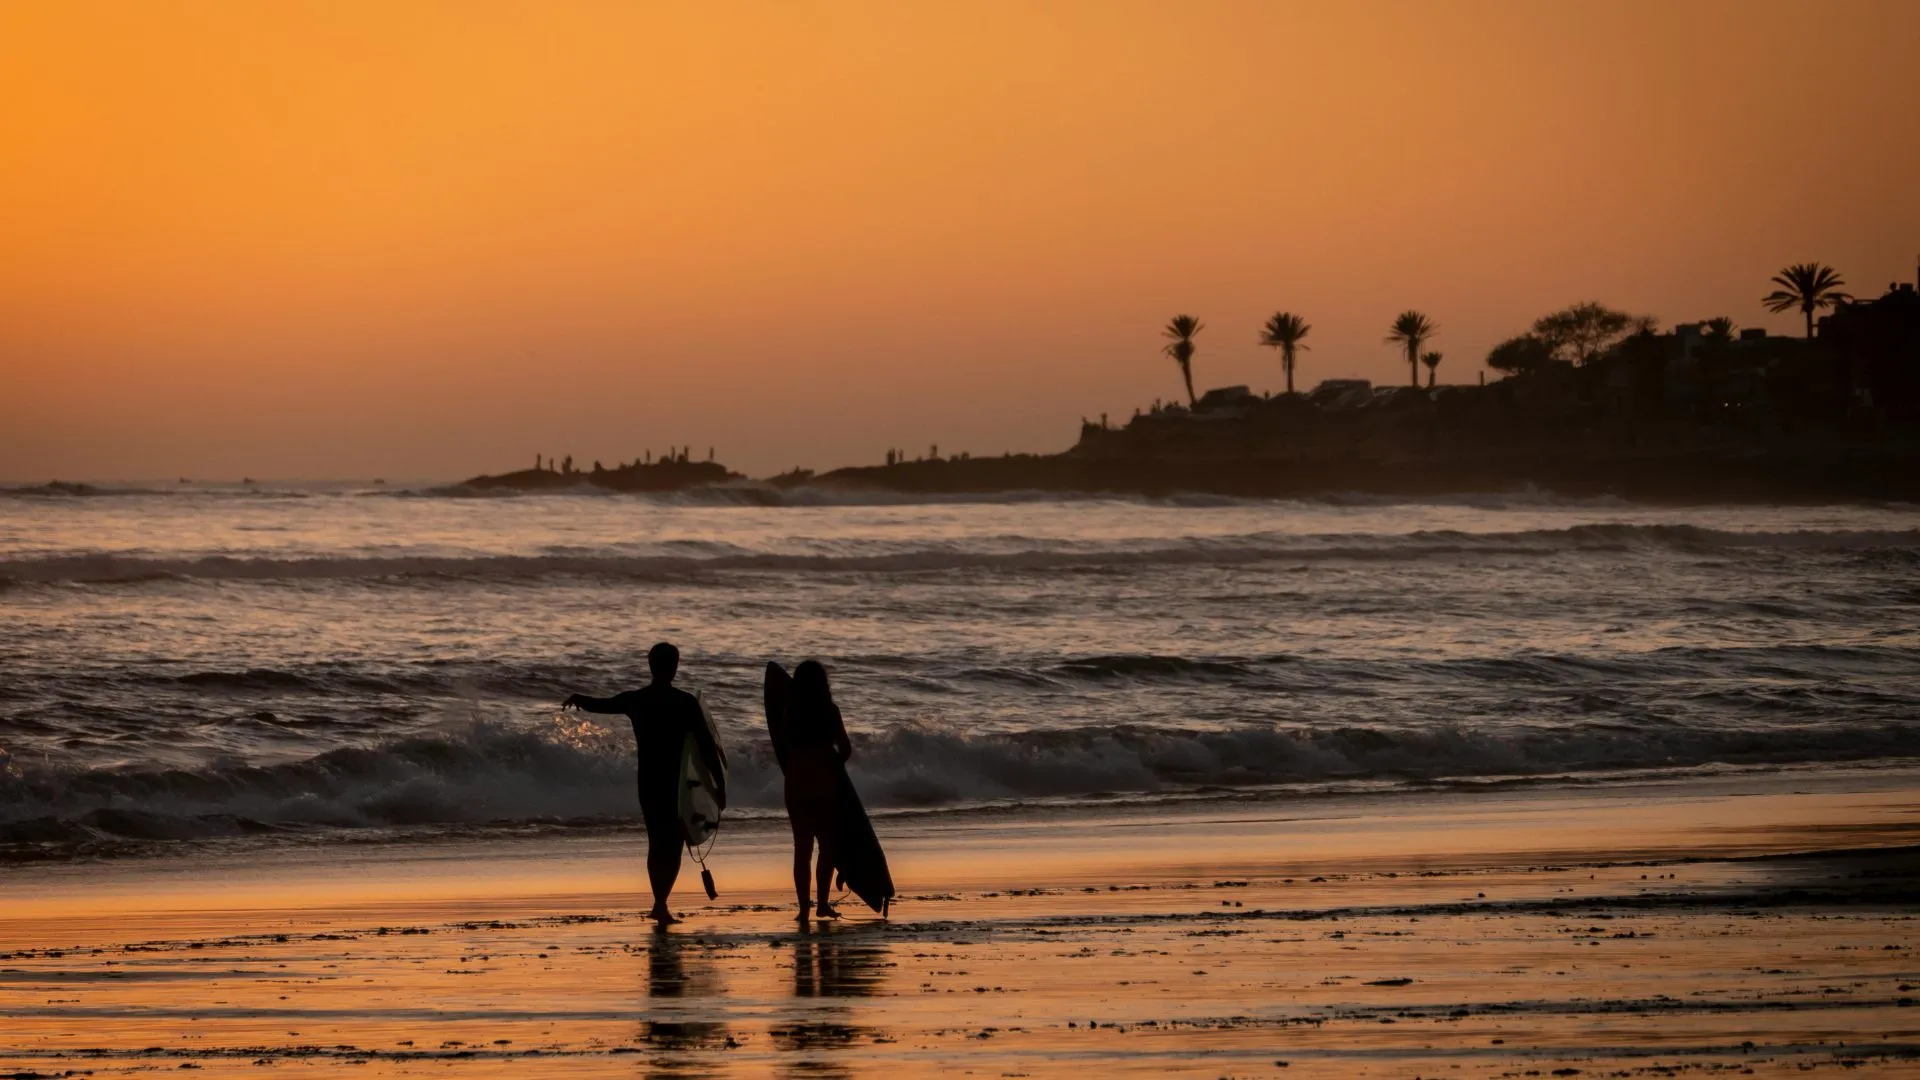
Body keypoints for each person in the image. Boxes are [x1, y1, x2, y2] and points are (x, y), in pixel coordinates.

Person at [563, 642, 720, 924]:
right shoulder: (686, 703)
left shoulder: (637, 700)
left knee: (655, 840)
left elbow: (604, 704)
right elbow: (708, 748)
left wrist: (578, 698)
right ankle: (660, 903)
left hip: (648, 781)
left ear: (650, 666)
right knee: (673, 843)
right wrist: (717, 784)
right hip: (677, 784)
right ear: (675, 667)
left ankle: (659, 903)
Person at [783, 660, 853, 921]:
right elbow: (845, 748)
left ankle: (803, 910)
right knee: (827, 847)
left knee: (802, 849)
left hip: (797, 782)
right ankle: (822, 904)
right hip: (824, 782)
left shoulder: (790, 712)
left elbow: (783, 750)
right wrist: (835, 762)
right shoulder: (830, 711)